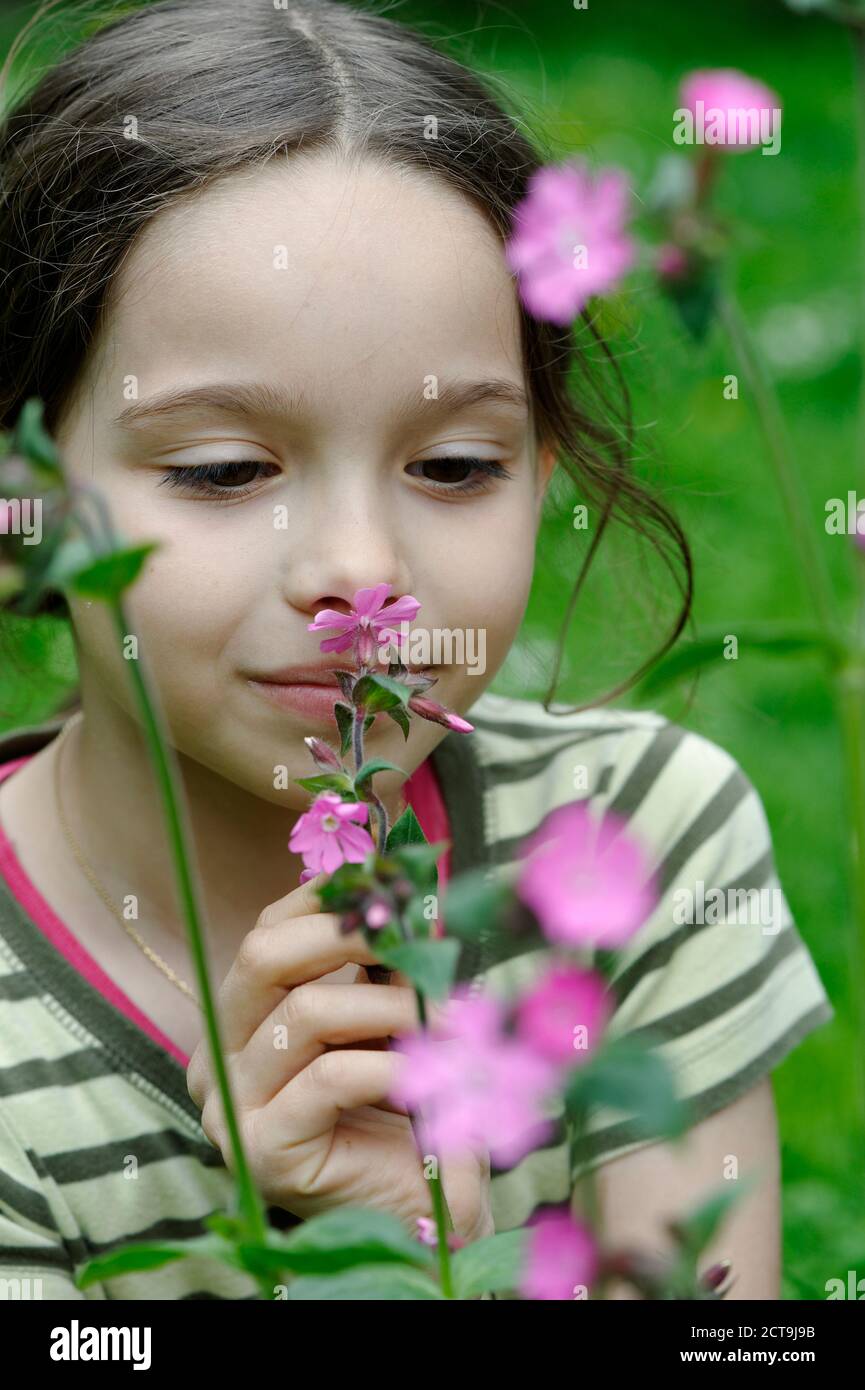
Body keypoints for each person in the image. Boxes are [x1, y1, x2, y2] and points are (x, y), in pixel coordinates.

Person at [0, 0, 833, 1300]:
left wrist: (438, 1253)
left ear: (540, 471)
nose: (361, 575)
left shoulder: (635, 842)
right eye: (224, 468)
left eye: (452, 465)